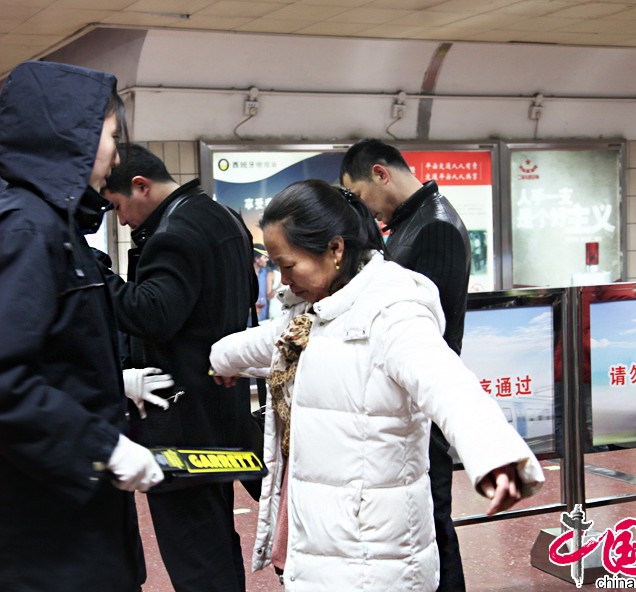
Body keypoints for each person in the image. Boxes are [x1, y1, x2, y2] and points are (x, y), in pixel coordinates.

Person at [208, 180, 544, 591]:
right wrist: (218, 360)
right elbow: (264, 343)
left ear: (335, 250)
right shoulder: (315, 314)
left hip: (376, 560)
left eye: (289, 265)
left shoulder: (393, 312)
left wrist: (494, 453)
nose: (281, 281)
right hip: (326, 546)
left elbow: (447, 382)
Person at [0, 61, 165, 592]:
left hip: (62, 521)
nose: (113, 153)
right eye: (109, 136)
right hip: (34, 542)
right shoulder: (25, 230)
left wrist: (112, 386)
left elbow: (46, 351)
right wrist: (100, 446)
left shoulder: (52, 227)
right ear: (73, 138)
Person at [103, 143, 257, 592]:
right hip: (219, 410)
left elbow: (153, 314)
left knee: (195, 555)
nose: (122, 220)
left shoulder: (174, 230)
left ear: (140, 186)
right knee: (215, 543)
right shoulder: (222, 216)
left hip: (180, 423)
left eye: (118, 207)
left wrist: (93, 269)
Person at [340, 138, 472, 591]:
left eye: (359, 196)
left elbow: (420, 331)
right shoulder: (413, 221)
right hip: (409, 402)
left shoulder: (433, 226)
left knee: (431, 524)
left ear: (381, 173)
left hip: (422, 405)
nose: (362, 209)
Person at [254, 244, 276, 322]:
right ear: (257, 259)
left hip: (263, 320)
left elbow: (268, 296)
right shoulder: (244, 275)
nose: (267, 260)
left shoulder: (265, 273)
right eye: (265, 257)